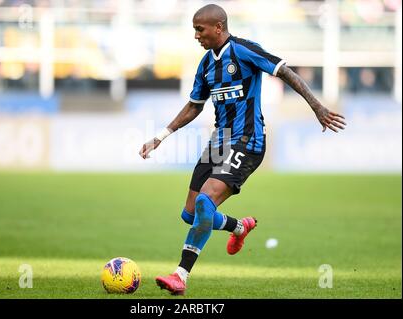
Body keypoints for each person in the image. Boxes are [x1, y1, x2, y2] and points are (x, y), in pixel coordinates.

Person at [139, 4, 346, 296]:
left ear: (219, 27)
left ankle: (180, 276)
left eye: (200, 29)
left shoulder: (245, 50)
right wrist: (161, 136)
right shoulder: (206, 64)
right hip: (219, 140)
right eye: (194, 30)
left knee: (204, 203)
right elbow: (194, 106)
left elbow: (285, 72)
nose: (196, 35)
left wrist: (317, 106)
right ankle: (238, 227)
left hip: (248, 139)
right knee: (190, 214)